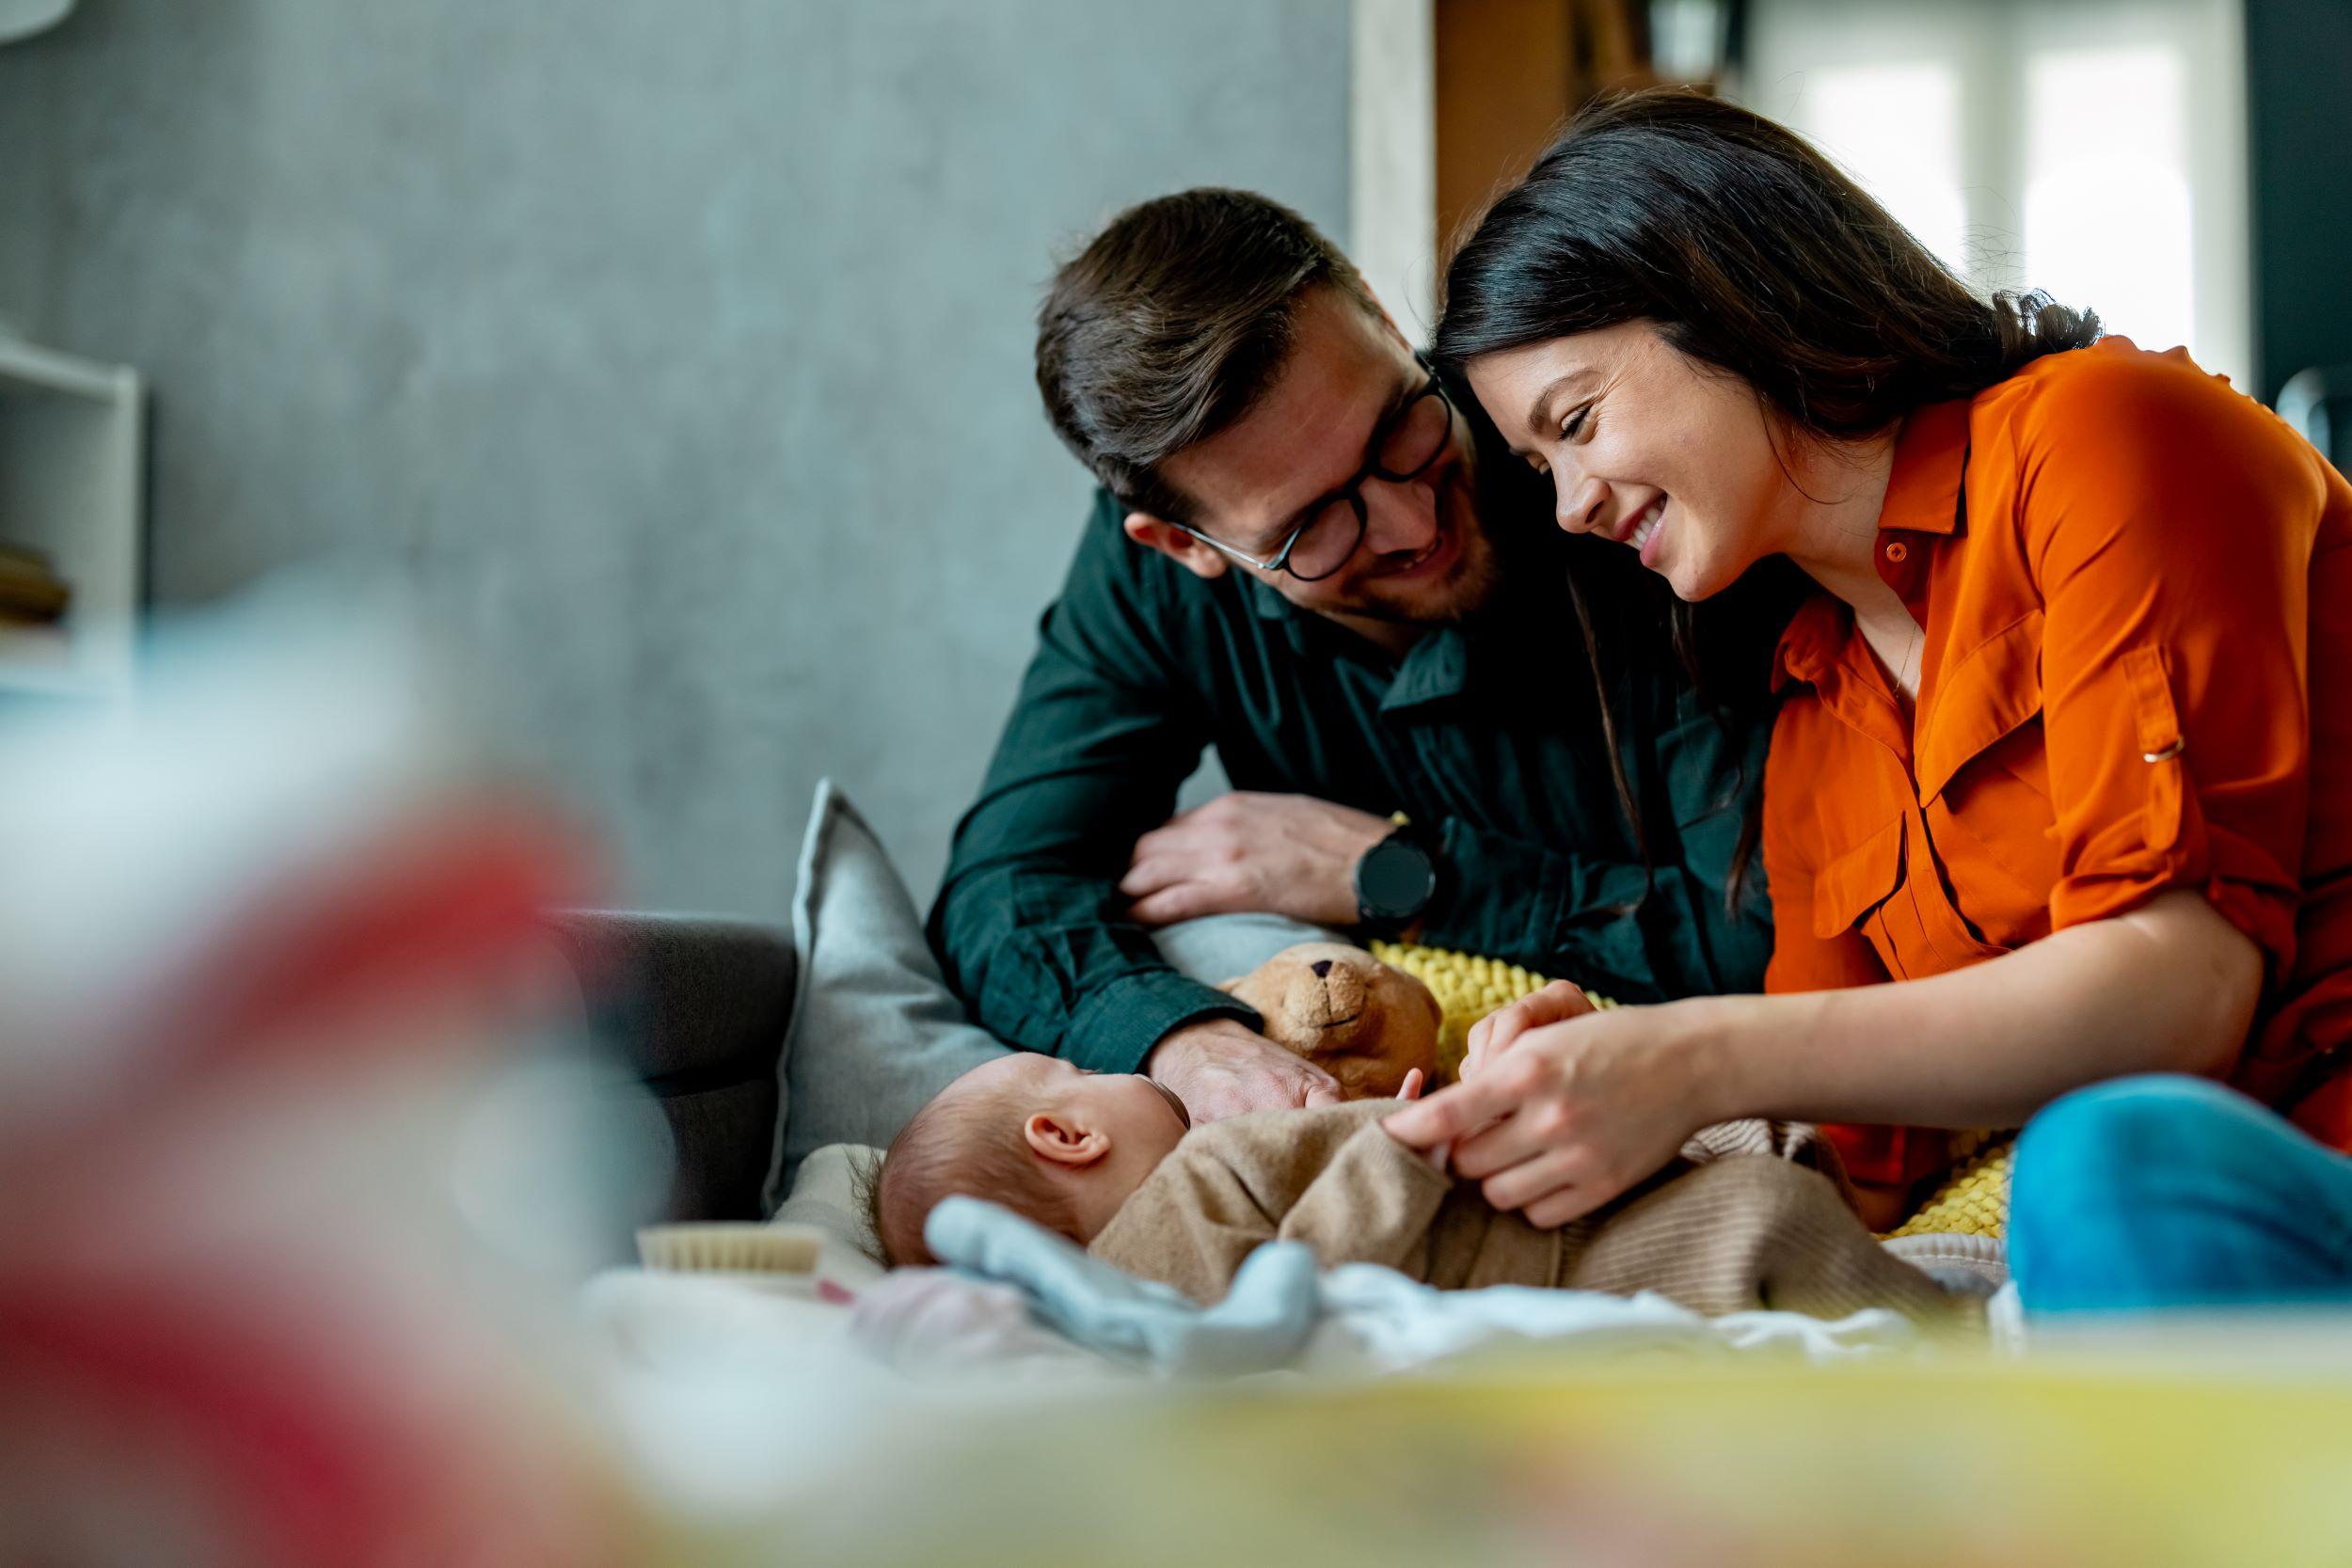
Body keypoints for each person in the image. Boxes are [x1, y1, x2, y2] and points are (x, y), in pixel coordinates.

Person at [1383, 87, 2352, 1236]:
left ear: (1722, 295)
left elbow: (2176, 991)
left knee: (2093, 1165)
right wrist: (1531, 1120)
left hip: (2253, 1168)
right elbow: (1855, 1167)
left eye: (1577, 421)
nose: (1573, 508)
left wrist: (1690, 1053)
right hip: (2166, 1230)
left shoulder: (2103, 433)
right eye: (1540, 470)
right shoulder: (1814, 712)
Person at [930, 189, 1797, 1125]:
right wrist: (1186, 1045)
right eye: (1311, 526)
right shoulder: (1151, 587)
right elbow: (1001, 893)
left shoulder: (1615, 486)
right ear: (1185, 547)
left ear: (1385, 325)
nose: (1411, 521)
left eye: (1397, 430)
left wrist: (1406, 876)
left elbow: (1779, 941)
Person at [868, 1052, 1956, 1323]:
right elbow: (1302, 1290)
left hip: (1511, 1222)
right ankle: (1962, 1336)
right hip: (1545, 1258)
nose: (1122, 1073)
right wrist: (1404, 1150)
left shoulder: (1174, 1226)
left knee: (1742, 1163)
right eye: (1074, 1073)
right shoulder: (1172, 1214)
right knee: (1761, 1216)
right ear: (1064, 1131)